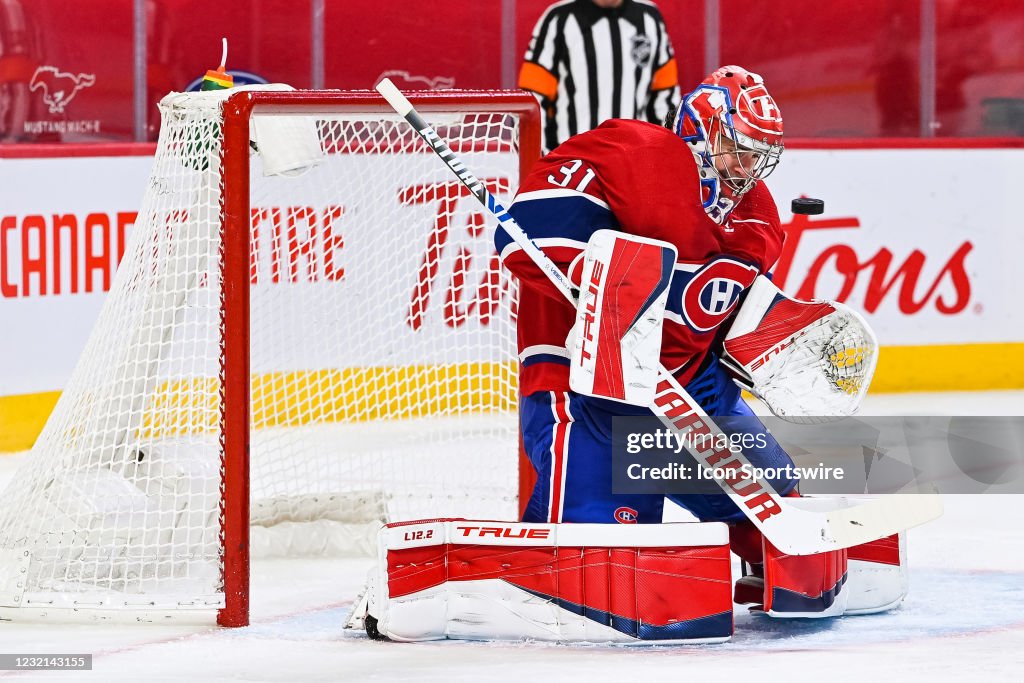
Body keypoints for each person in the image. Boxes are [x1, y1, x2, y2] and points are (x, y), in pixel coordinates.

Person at [497, 65, 793, 527]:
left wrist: (774, 342)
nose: (745, 169)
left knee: (779, 508)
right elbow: (522, 235)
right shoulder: (633, 153)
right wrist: (601, 286)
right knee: (609, 556)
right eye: (737, 150)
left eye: (756, 157)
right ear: (700, 130)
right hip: (588, 388)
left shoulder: (758, 217)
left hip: (690, 388)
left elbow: (722, 315)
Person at [518, 0, 680, 153]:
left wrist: (659, 159)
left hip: (634, 164)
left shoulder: (650, 19)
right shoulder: (558, 20)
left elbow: (665, 102)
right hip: (572, 165)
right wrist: (545, 166)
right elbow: (532, 105)